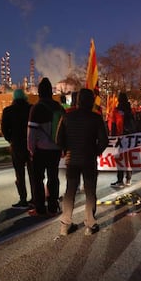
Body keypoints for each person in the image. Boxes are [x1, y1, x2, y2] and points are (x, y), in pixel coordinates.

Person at [56, 88, 108, 236]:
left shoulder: (67, 116)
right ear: (91, 101)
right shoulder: (96, 118)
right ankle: (90, 224)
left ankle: (65, 224)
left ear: (77, 100)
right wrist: (95, 151)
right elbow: (104, 141)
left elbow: (58, 140)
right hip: (89, 159)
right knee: (90, 191)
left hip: (72, 159)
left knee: (70, 190)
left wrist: (67, 149)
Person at [27, 77, 65, 216]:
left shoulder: (36, 108)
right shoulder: (59, 107)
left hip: (40, 150)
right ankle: (53, 207)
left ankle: (40, 208)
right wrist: (62, 147)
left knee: (38, 179)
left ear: (40, 92)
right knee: (53, 177)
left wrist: (31, 149)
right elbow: (64, 129)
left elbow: (31, 132)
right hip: (55, 149)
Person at [1, 89, 33, 209]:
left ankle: (23, 199)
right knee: (33, 173)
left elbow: (4, 129)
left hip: (17, 145)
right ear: (25, 97)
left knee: (19, 174)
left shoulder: (8, 111)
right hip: (31, 145)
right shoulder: (31, 109)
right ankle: (35, 198)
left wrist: (11, 140)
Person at [108, 92, 135, 188]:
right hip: (129, 137)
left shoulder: (116, 110)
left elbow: (114, 125)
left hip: (120, 137)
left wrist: (112, 137)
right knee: (128, 158)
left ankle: (120, 180)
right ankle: (128, 178)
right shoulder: (130, 110)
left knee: (120, 159)